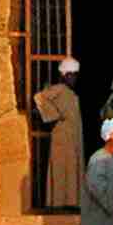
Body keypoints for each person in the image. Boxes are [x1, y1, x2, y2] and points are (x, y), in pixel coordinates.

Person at [32, 56, 82, 216]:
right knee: (60, 169)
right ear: (64, 75)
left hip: (72, 138)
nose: (73, 78)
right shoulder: (59, 89)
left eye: (75, 75)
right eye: (70, 75)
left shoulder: (70, 94)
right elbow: (39, 97)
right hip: (61, 137)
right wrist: (52, 114)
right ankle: (58, 203)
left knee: (71, 170)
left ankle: (70, 202)